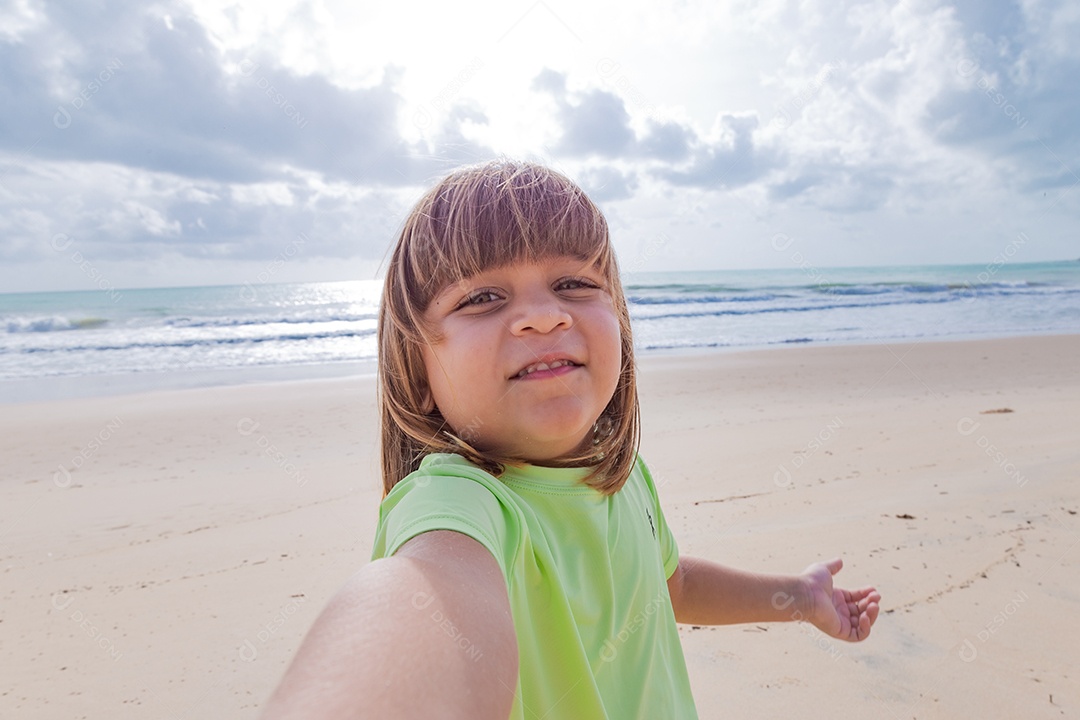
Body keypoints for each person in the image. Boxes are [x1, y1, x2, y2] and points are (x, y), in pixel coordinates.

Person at [259, 159, 881, 719]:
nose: (544, 313)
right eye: (482, 297)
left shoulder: (625, 474)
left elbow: (670, 587)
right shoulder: (460, 508)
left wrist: (798, 597)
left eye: (575, 284)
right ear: (418, 373)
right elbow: (423, 602)